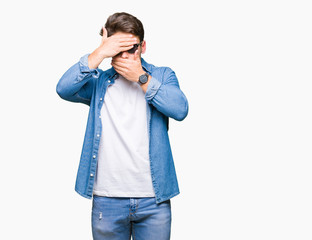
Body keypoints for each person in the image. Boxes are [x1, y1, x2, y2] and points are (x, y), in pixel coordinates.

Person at [56, 12, 188, 240]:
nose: (125, 56)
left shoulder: (162, 75)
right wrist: (99, 53)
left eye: (131, 48)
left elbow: (180, 109)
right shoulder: (98, 82)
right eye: (118, 48)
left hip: (153, 200)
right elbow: (63, 88)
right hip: (107, 200)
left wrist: (142, 78)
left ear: (143, 46)